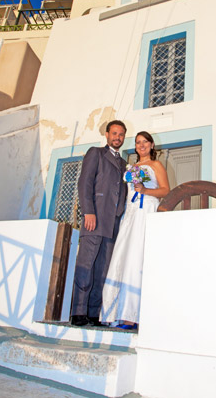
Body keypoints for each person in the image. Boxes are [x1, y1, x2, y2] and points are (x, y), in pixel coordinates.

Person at [100, 131, 169, 330]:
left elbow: (165, 190)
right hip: (130, 213)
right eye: (138, 142)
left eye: (145, 142)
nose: (141, 145)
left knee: (136, 258)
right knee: (122, 257)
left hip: (146, 209)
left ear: (152, 144)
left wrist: (145, 190)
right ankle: (114, 312)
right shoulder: (131, 167)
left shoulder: (156, 165)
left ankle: (132, 315)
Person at [71, 120, 128, 327]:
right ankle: (78, 312)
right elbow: (84, 183)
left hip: (112, 223)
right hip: (94, 219)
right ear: (106, 134)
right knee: (86, 265)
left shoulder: (123, 164)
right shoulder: (96, 153)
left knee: (102, 269)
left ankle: (94, 314)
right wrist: (88, 212)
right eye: (114, 133)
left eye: (121, 135)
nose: (117, 138)